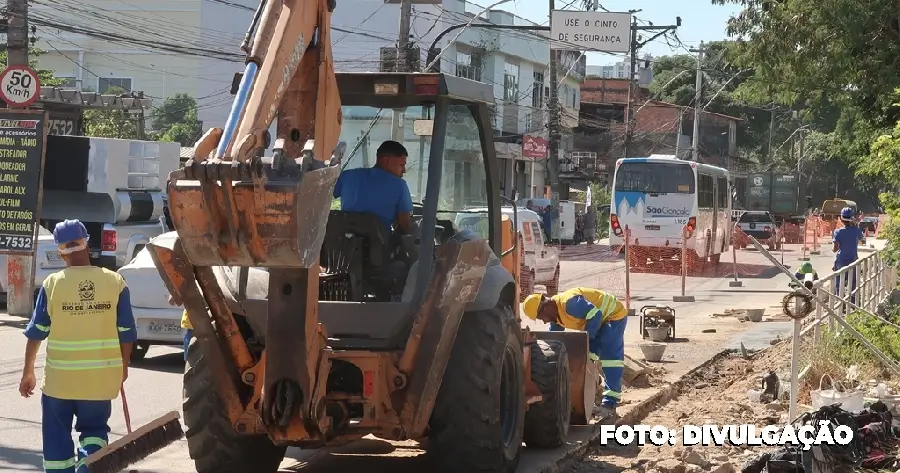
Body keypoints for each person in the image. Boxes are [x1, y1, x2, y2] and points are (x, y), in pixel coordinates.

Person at [19, 219, 137, 473]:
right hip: (99, 382)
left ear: (60, 251)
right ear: (87, 244)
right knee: (94, 433)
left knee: (56, 438)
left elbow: (36, 332)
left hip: (59, 385)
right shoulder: (115, 282)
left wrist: (28, 371)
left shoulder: (52, 285)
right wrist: (123, 368)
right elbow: (127, 334)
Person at [522, 288, 628, 421]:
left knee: (610, 358)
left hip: (613, 316)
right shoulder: (555, 316)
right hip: (597, 321)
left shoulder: (569, 303)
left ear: (546, 308)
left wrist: (586, 344)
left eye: (540, 317)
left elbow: (596, 315)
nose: (543, 321)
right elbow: (556, 341)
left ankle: (610, 403)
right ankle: (596, 391)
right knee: (589, 355)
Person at [333, 140, 413, 236]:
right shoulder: (400, 185)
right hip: (377, 247)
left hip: (342, 243)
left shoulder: (346, 176)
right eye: (402, 165)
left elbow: (325, 197)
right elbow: (405, 226)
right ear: (386, 160)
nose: (404, 170)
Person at [833, 206, 863, 302]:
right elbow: (861, 240)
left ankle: (841, 302)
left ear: (841, 218)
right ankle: (853, 302)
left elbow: (835, 249)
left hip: (841, 260)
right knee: (853, 282)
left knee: (839, 282)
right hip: (853, 260)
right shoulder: (856, 231)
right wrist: (855, 225)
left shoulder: (838, 232)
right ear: (852, 218)